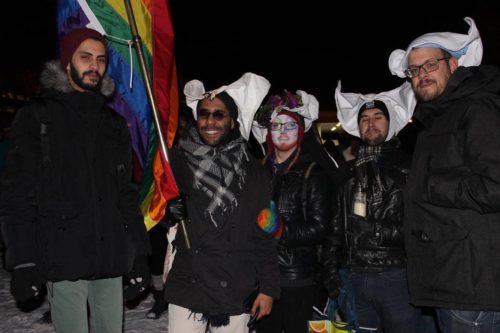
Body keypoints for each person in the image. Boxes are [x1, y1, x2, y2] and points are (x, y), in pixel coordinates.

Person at [0, 27, 150, 333]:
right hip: (62, 258)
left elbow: (124, 195)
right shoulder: (37, 118)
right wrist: (23, 261)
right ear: (68, 63)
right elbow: (17, 196)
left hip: (109, 259)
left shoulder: (113, 124)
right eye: (85, 57)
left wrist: (139, 256)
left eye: (100, 59)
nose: (94, 65)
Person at [388, 16, 500, 332]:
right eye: (414, 70)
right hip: (452, 281)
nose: (421, 75)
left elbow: (496, 186)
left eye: (430, 65)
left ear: (453, 64)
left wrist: (431, 183)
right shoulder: (441, 116)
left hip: (474, 289)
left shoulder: (478, 108)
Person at [164, 72, 281, 333]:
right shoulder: (177, 163)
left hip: (235, 284)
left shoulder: (255, 172)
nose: (210, 121)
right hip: (188, 283)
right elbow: (157, 209)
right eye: (204, 113)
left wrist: (269, 288)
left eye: (219, 114)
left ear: (232, 120)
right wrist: (167, 213)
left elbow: (265, 234)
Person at [322, 81, 433, 332]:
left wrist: (374, 229)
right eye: (364, 119)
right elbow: (335, 228)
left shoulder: (410, 168)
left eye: (378, 116)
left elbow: (422, 228)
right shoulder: (348, 173)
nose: (370, 123)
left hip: (397, 278)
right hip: (352, 278)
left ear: (390, 122)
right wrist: (330, 274)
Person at [251, 90, 332, 333]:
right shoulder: (257, 170)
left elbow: (320, 228)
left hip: (298, 279)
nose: (283, 131)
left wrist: (279, 230)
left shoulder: (313, 172)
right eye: (276, 125)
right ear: (268, 132)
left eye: (290, 125)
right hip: (261, 277)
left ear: (300, 131)